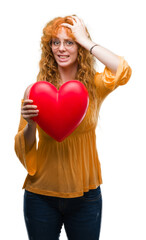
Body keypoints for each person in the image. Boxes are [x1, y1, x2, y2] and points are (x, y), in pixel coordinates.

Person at [14, 14, 132, 240]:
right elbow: (24, 149)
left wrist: (87, 41)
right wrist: (30, 124)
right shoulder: (35, 91)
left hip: (86, 197)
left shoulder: (94, 87)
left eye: (69, 42)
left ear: (79, 47)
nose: (61, 48)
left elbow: (123, 70)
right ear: (49, 47)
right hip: (40, 197)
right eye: (55, 42)